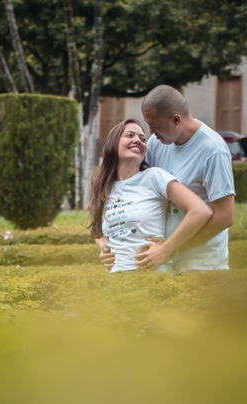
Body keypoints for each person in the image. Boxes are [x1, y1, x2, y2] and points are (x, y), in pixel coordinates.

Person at [98, 85, 235, 272]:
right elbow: (131, 194)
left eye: (154, 126)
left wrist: (171, 250)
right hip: (162, 258)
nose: (150, 133)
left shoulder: (213, 149)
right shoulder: (157, 143)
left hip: (201, 262)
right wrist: (107, 245)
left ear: (176, 120)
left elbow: (224, 217)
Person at [89, 118, 212, 273]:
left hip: (152, 276)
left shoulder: (154, 177)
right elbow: (97, 229)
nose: (138, 140)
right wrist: (103, 248)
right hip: (115, 280)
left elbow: (200, 211)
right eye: (130, 135)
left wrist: (166, 250)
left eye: (142, 139)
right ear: (113, 143)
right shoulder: (103, 185)